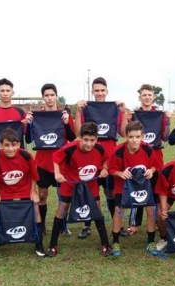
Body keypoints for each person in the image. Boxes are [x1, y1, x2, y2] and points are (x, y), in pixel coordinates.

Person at [47, 122, 112, 257]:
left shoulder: (100, 148)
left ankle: (105, 244)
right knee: (62, 210)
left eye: (92, 140)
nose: (89, 144)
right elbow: (55, 158)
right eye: (86, 140)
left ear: (96, 139)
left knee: (98, 210)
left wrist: (105, 168)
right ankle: (53, 245)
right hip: (71, 185)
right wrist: (57, 174)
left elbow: (107, 159)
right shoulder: (70, 148)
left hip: (90, 186)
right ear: (80, 138)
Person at [0, 128, 45, 260]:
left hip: (24, 188)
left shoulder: (26, 156)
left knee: (36, 208)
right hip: (5, 191)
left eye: (13, 145)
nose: (10, 148)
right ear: (0, 145)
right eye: (6, 145)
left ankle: (39, 245)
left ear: (18, 145)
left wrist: (33, 192)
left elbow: (34, 175)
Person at [75, 77, 127, 223]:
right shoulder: (85, 108)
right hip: (90, 157)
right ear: (92, 92)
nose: (99, 93)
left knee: (110, 192)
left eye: (102, 90)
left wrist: (123, 112)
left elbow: (124, 133)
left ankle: (115, 222)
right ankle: (87, 225)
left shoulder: (115, 108)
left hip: (110, 157)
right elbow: (78, 133)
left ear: (107, 91)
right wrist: (78, 112)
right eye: (96, 90)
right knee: (89, 192)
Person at [27, 84, 76, 237]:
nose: (49, 98)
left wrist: (67, 123)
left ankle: (63, 224)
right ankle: (41, 226)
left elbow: (73, 138)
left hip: (61, 163)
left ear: (56, 96)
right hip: (42, 162)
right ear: (43, 97)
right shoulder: (36, 116)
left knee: (64, 196)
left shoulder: (64, 115)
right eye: (46, 95)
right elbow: (28, 140)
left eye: (52, 95)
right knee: (42, 195)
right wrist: (29, 123)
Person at [124, 84, 172, 236]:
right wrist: (127, 118)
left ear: (154, 97)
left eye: (149, 95)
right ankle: (134, 224)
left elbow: (165, 137)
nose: (147, 97)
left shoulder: (160, 114)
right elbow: (125, 133)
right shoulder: (134, 114)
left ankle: (157, 221)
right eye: (144, 95)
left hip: (155, 159)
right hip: (137, 159)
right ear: (140, 96)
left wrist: (168, 120)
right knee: (137, 191)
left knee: (156, 192)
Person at [108, 121, 160, 257]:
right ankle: (115, 241)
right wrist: (120, 173)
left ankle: (150, 241)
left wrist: (151, 171)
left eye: (137, 137)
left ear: (142, 136)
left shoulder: (148, 148)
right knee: (119, 211)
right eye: (131, 137)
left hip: (143, 185)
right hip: (123, 186)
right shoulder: (119, 151)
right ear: (126, 137)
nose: (134, 140)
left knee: (150, 209)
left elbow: (156, 165)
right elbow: (111, 169)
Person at [0, 78, 31, 151]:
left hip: (18, 156)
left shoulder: (20, 112)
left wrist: (28, 125)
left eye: (8, 91)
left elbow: (28, 138)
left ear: (12, 92)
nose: (5, 94)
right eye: (2, 91)